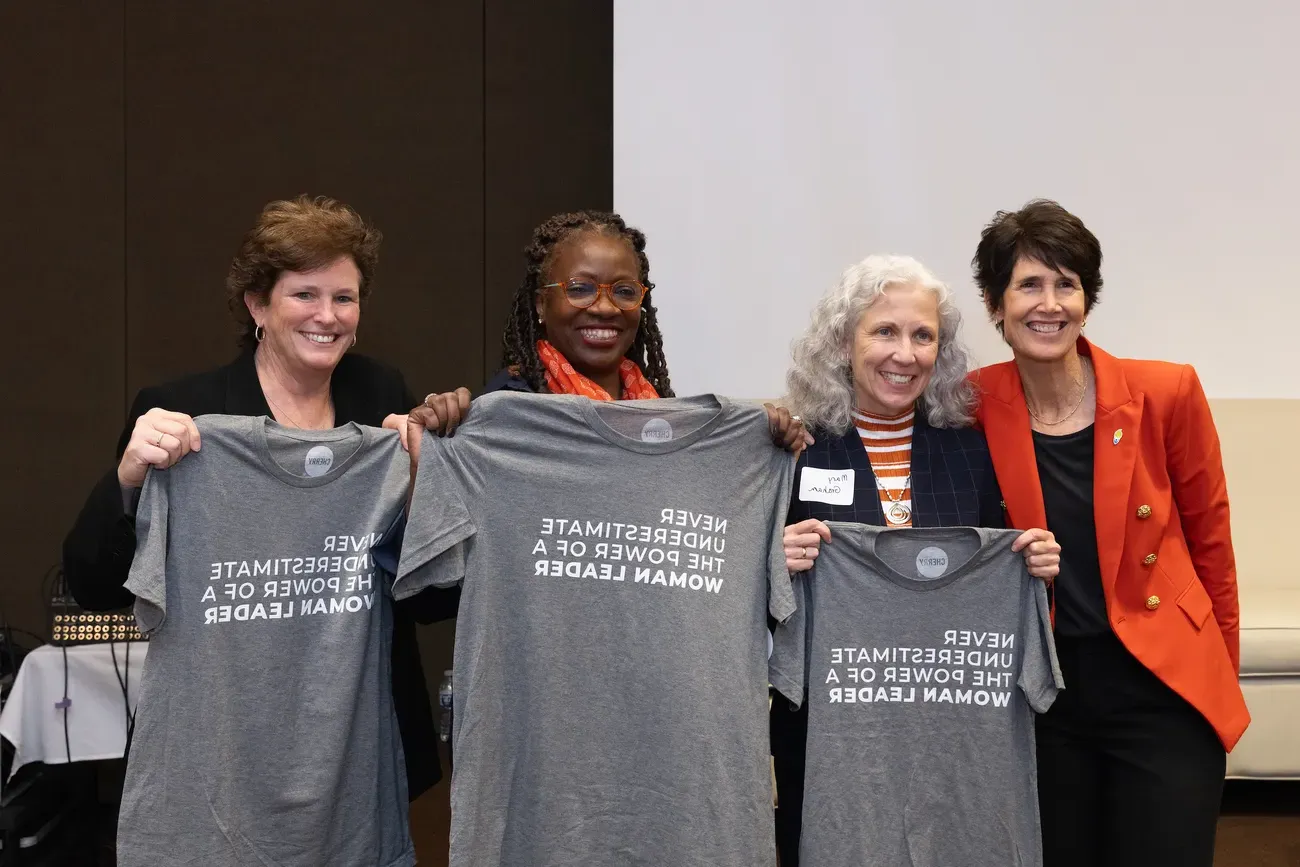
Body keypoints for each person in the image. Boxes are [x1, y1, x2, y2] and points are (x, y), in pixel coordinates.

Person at [61, 195, 452, 801]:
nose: (328, 315)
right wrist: (129, 478)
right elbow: (95, 586)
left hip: (361, 736)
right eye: (305, 294)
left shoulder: (382, 396)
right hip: (234, 741)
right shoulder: (186, 414)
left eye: (344, 297)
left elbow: (427, 598)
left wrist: (426, 488)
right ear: (257, 306)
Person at [968, 199, 1249, 867]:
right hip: (1044, 698)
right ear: (994, 304)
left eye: (1067, 284)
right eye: (1029, 284)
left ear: (1087, 300)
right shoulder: (969, 403)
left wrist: (1220, 680)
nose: (1050, 303)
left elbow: (1213, 546)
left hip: (1161, 688)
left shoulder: (1167, 391)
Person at [772, 254, 1061, 866]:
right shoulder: (790, 450)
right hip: (835, 730)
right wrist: (773, 562)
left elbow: (997, 580)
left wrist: (1032, 562)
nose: (905, 354)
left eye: (922, 336)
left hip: (947, 724)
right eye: (884, 331)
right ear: (841, 342)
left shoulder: (969, 448)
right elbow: (744, 599)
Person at [400, 209, 807, 446]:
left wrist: (765, 444)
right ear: (542, 303)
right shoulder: (505, 413)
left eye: (625, 291)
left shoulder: (661, 411)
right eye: (580, 289)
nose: (605, 307)